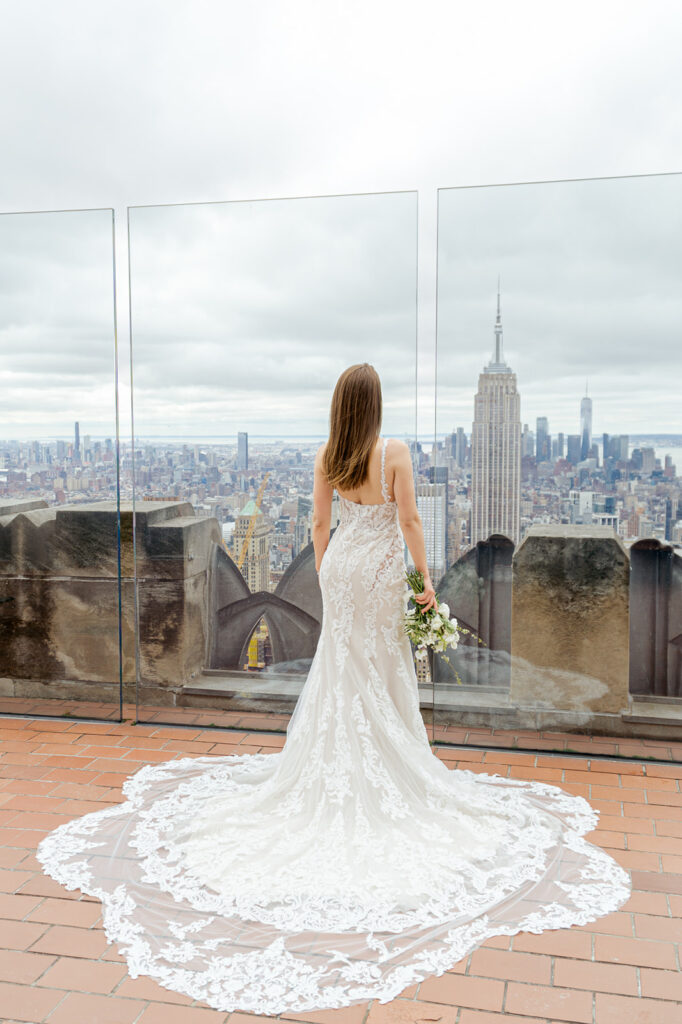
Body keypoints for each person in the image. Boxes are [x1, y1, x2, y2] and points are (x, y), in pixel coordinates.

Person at [36, 363, 631, 1015]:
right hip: (381, 568)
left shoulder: (328, 455)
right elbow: (409, 521)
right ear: (375, 405)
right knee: (381, 664)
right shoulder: (393, 452)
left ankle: (340, 757)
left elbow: (319, 527)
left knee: (342, 665)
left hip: (344, 567)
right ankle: (391, 753)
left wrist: (326, 572)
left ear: (340, 405)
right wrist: (423, 582)